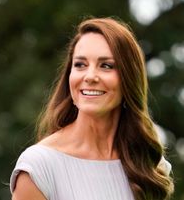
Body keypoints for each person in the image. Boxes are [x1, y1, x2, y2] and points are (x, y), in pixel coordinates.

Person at [10, 17, 174, 200]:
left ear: (129, 79)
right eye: (80, 65)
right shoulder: (39, 167)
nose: (90, 76)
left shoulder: (148, 164)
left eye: (106, 66)